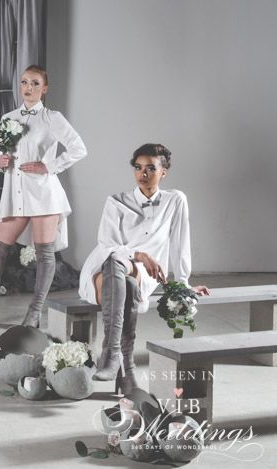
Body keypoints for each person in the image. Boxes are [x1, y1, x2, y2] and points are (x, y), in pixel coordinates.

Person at [0, 65, 87, 328]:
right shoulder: (8, 118)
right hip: (15, 194)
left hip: (44, 195)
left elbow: (78, 148)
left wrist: (49, 166)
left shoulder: (52, 118)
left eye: (35, 83)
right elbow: (3, 157)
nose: (29, 88)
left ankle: (34, 314)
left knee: (45, 255)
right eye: (25, 82)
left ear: (44, 88)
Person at [79, 143, 209, 395]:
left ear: (164, 172)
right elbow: (107, 246)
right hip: (105, 268)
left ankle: (112, 358)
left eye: (151, 168)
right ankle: (120, 362)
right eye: (138, 168)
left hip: (142, 277)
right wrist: (138, 254)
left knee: (128, 283)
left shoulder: (175, 200)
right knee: (118, 268)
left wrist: (182, 283)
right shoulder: (116, 201)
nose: (143, 173)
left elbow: (180, 243)